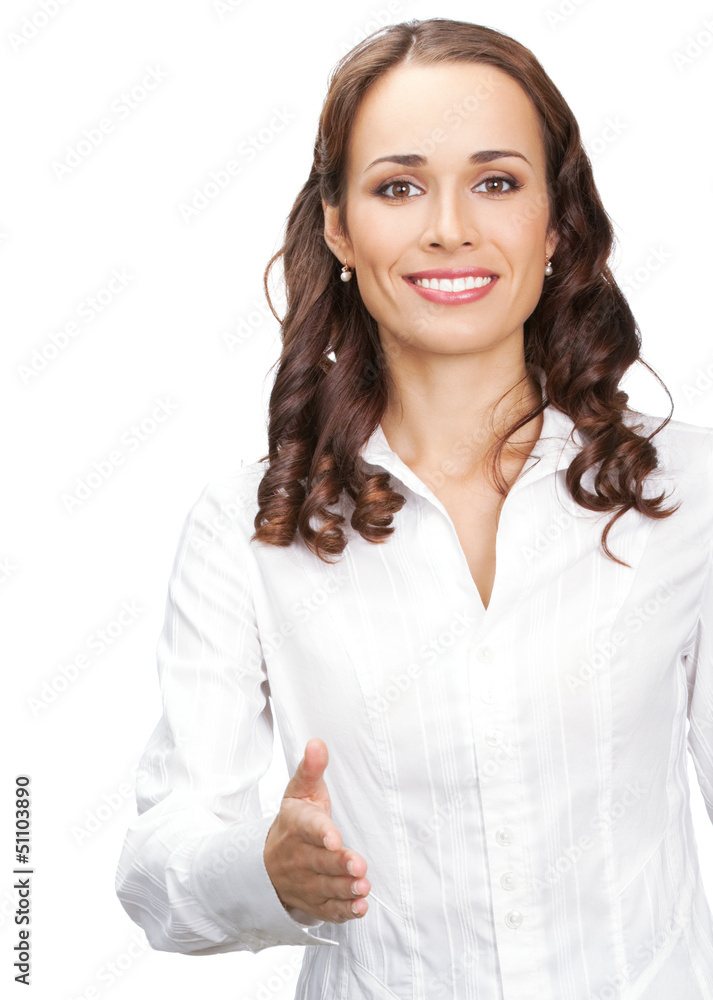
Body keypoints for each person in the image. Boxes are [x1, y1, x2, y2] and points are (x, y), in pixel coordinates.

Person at [115, 17, 713, 999]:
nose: (447, 227)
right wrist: (266, 873)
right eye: (398, 186)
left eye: (494, 181)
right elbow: (156, 864)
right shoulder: (247, 525)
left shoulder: (685, 496)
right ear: (338, 226)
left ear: (556, 223)